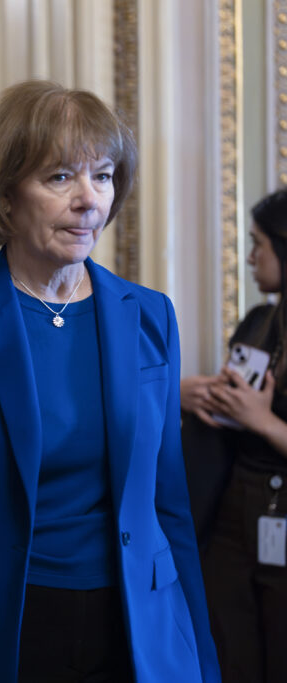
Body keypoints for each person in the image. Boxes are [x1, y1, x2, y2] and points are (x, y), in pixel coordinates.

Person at [0, 80, 219, 682]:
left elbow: (169, 508)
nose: (89, 200)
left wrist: (201, 659)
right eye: (61, 177)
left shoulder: (151, 316)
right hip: (4, 631)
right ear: (5, 196)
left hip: (139, 631)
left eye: (104, 176)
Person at [182, 189, 287, 682]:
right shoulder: (258, 321)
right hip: (230, 513)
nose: (248, 257)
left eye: (258, 244)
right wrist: (201, 398)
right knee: (230, 656)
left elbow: (258, 418)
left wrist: (264, 421)